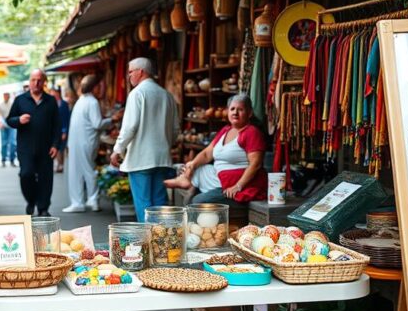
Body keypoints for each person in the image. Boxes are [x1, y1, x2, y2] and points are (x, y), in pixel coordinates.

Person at [165, 93, 267, 205]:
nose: (235, 113)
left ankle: (190, 187)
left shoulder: (251, 132)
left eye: (240, 109)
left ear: (250, 113)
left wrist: (238, 186)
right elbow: (207, 154)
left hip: (236, 183)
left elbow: (255, 164)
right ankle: (187, 181)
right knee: (194, 174)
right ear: (228, 111)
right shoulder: (226, 130)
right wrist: (192, 164)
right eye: (232, 109)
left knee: (197, 200)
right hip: (218, 179)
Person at [110, 57, 178, 221]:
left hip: (141, 159)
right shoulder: (167, 95)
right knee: (160, 204)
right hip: (161, 158)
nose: (129, 76)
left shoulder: (137, 94)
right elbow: (175, 129)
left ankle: (149, 243)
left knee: (144, 204)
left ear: (141, 72)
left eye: (130, 72)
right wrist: (165, 144)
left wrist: (117, 150)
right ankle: (161, 241)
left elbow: (129, 127)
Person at [7, 69, 61, 216]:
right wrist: (18, 120)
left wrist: (56, 145)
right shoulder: (20, 100)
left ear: (44, 82)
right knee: (26, 174)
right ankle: (31, 200)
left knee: (46, 178)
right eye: (33, 80)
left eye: (39, 80)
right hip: (25, 147)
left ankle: (43, 208)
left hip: (46, 147)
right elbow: (9, 120)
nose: (35, 83)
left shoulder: (50, 101)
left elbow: (57, 125)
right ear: (29, 81)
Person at [63, 74, 118, 213]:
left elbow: (96, 123)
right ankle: (87, 200)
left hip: (81, 141)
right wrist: (112, 119)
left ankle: (87, 200)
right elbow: (97, 123)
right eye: (100, 86)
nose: (102, 89)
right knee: (86, 170)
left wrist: (111, 120)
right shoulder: (91, 101)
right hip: (84, 141)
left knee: (83, 170)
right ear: (95, 87)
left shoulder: (84, 100)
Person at [51, 87, 71, 173]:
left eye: (54, 92)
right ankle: (57, 164)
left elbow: (66, 119)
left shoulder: (64, 104)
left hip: (62, 129)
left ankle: (61, 165)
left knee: (61, 148)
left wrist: (65, 131)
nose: (53, 94)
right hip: (53, 130)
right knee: (54, 147)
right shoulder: (51, 103)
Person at [0, 92, 16, 166]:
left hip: (12, 122)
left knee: (13, 142)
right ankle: (3, 159)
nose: (6, 96)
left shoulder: (12, 104)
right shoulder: (0, 105)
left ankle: (12, 159)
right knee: (4, 143)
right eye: (4, 95)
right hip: (4, 123)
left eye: (7, 95)